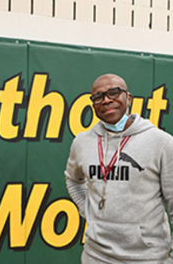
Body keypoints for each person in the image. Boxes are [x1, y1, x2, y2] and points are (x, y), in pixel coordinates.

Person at [65, 73, 173, 264]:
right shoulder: (82, 142)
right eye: (98, 97)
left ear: (128, 98)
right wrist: (88, 212)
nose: (106, 100)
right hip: (95, 256)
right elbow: (73, 179)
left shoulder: (161, 142)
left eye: (113, 92)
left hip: (148, 258)